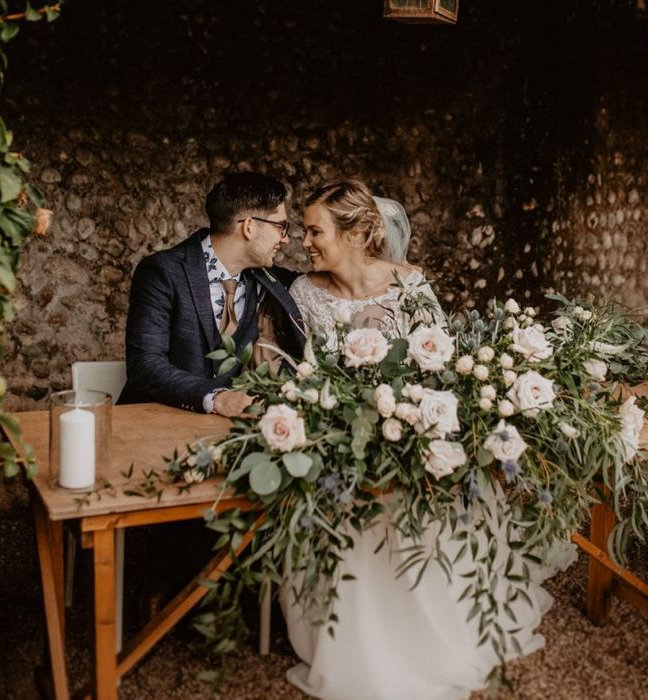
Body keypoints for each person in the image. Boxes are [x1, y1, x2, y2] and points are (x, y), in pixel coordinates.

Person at [282, 180, 572, 700]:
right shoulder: (304, 294)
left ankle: (436, 629)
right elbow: (309, 377)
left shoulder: (411, 285)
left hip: (410, 437)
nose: (304, 241)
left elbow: (441, 365)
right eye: (305, 230)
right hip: (344, 441)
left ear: (355, 233)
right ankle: (355, 638)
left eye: (314, 230)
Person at [119, 172, 305, 415]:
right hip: (152, 420)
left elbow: (325, 285)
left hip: (222, 432)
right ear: (249, 227)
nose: (286, 239)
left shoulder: (269, 280)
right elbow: (144, 366)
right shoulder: (162, 272)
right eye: (281, 226)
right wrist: (216, 398)